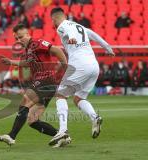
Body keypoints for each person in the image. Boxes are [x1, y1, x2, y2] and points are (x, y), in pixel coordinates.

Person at [0, 24, 69, 147]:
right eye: (16, 39)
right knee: (32, 120)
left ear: (28, 34)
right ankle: (62, 136)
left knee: (24, 103)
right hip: (47, 83)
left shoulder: (36, 43)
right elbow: (28, 63)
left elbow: (56, 50)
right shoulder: (29, 48)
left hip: (44, 80)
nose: (19, 40)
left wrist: (65, 65)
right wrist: (11, 62)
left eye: (21, 37)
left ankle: (11, 136)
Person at [49, 7, 115, 145]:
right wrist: (107, 47)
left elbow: (68, 31)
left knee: (60, 95)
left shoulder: (62, 26)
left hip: (79, 65)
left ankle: (62, 131)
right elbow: (93, 34)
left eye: (52, 20)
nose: (52, 23)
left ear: (55, 18)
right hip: (93, 66)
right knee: (78, 98)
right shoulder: (80, 26)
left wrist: (72, 37)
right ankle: (94, 118)